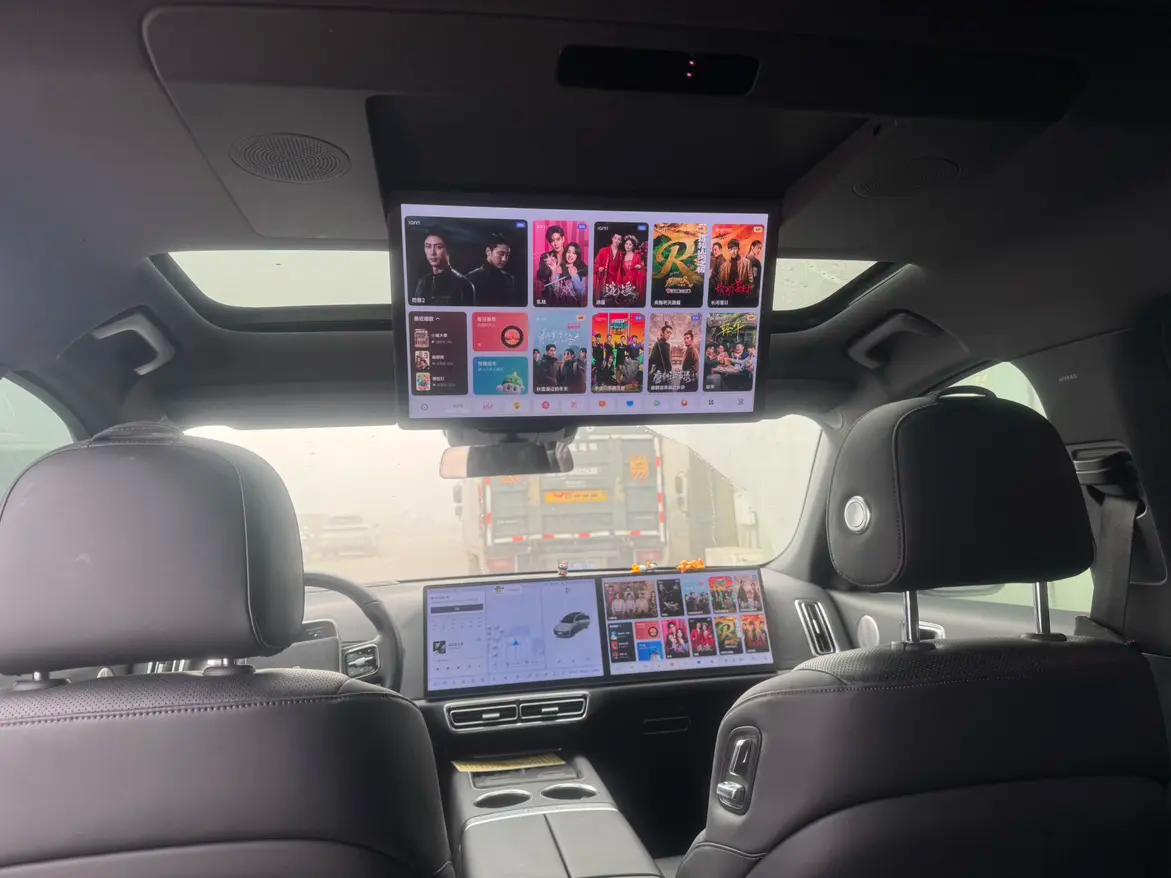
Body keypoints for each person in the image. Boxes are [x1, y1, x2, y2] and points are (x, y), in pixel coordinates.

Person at [413, 230, 473, 306]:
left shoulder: (462, 284)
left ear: (449, 249)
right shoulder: (422, 282)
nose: (432, 253)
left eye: (438, 247)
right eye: (428, 246)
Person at [466, 232, 520, 306]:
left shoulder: (510, 279)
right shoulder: (471, 279)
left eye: (507, 255)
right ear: (488, 252)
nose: (504, 259)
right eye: (501, 254)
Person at [594, 232, 623, 299]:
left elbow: (622, 269)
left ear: (621, 242)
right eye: (615, 238)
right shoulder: (603, 250)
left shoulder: (621, 254)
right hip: (604, 279)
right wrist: (599, 268)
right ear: (612, 238)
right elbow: (596, 264)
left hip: (615, 281)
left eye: (619, 239)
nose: (616, 240)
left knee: (613, 300)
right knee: (603, 299)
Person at [618, 235, 646, 302]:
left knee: (635, 300)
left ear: (633, 246)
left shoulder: (637, 256)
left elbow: (643, 268)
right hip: (625, 282)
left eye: (630, 244)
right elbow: (620, 271)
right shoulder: (621, 256)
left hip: (635, 282)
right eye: (626, 244)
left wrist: (640, 267)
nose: (627, 246)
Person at [648, 323, 674, 389]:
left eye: (670, 333)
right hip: (662, 375)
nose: (669, 335)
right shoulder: (664, 345)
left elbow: (651, 359)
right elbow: (668, 362)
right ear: (662, 333)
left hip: (658, 374)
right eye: (667, 332)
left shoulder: (658, 344)